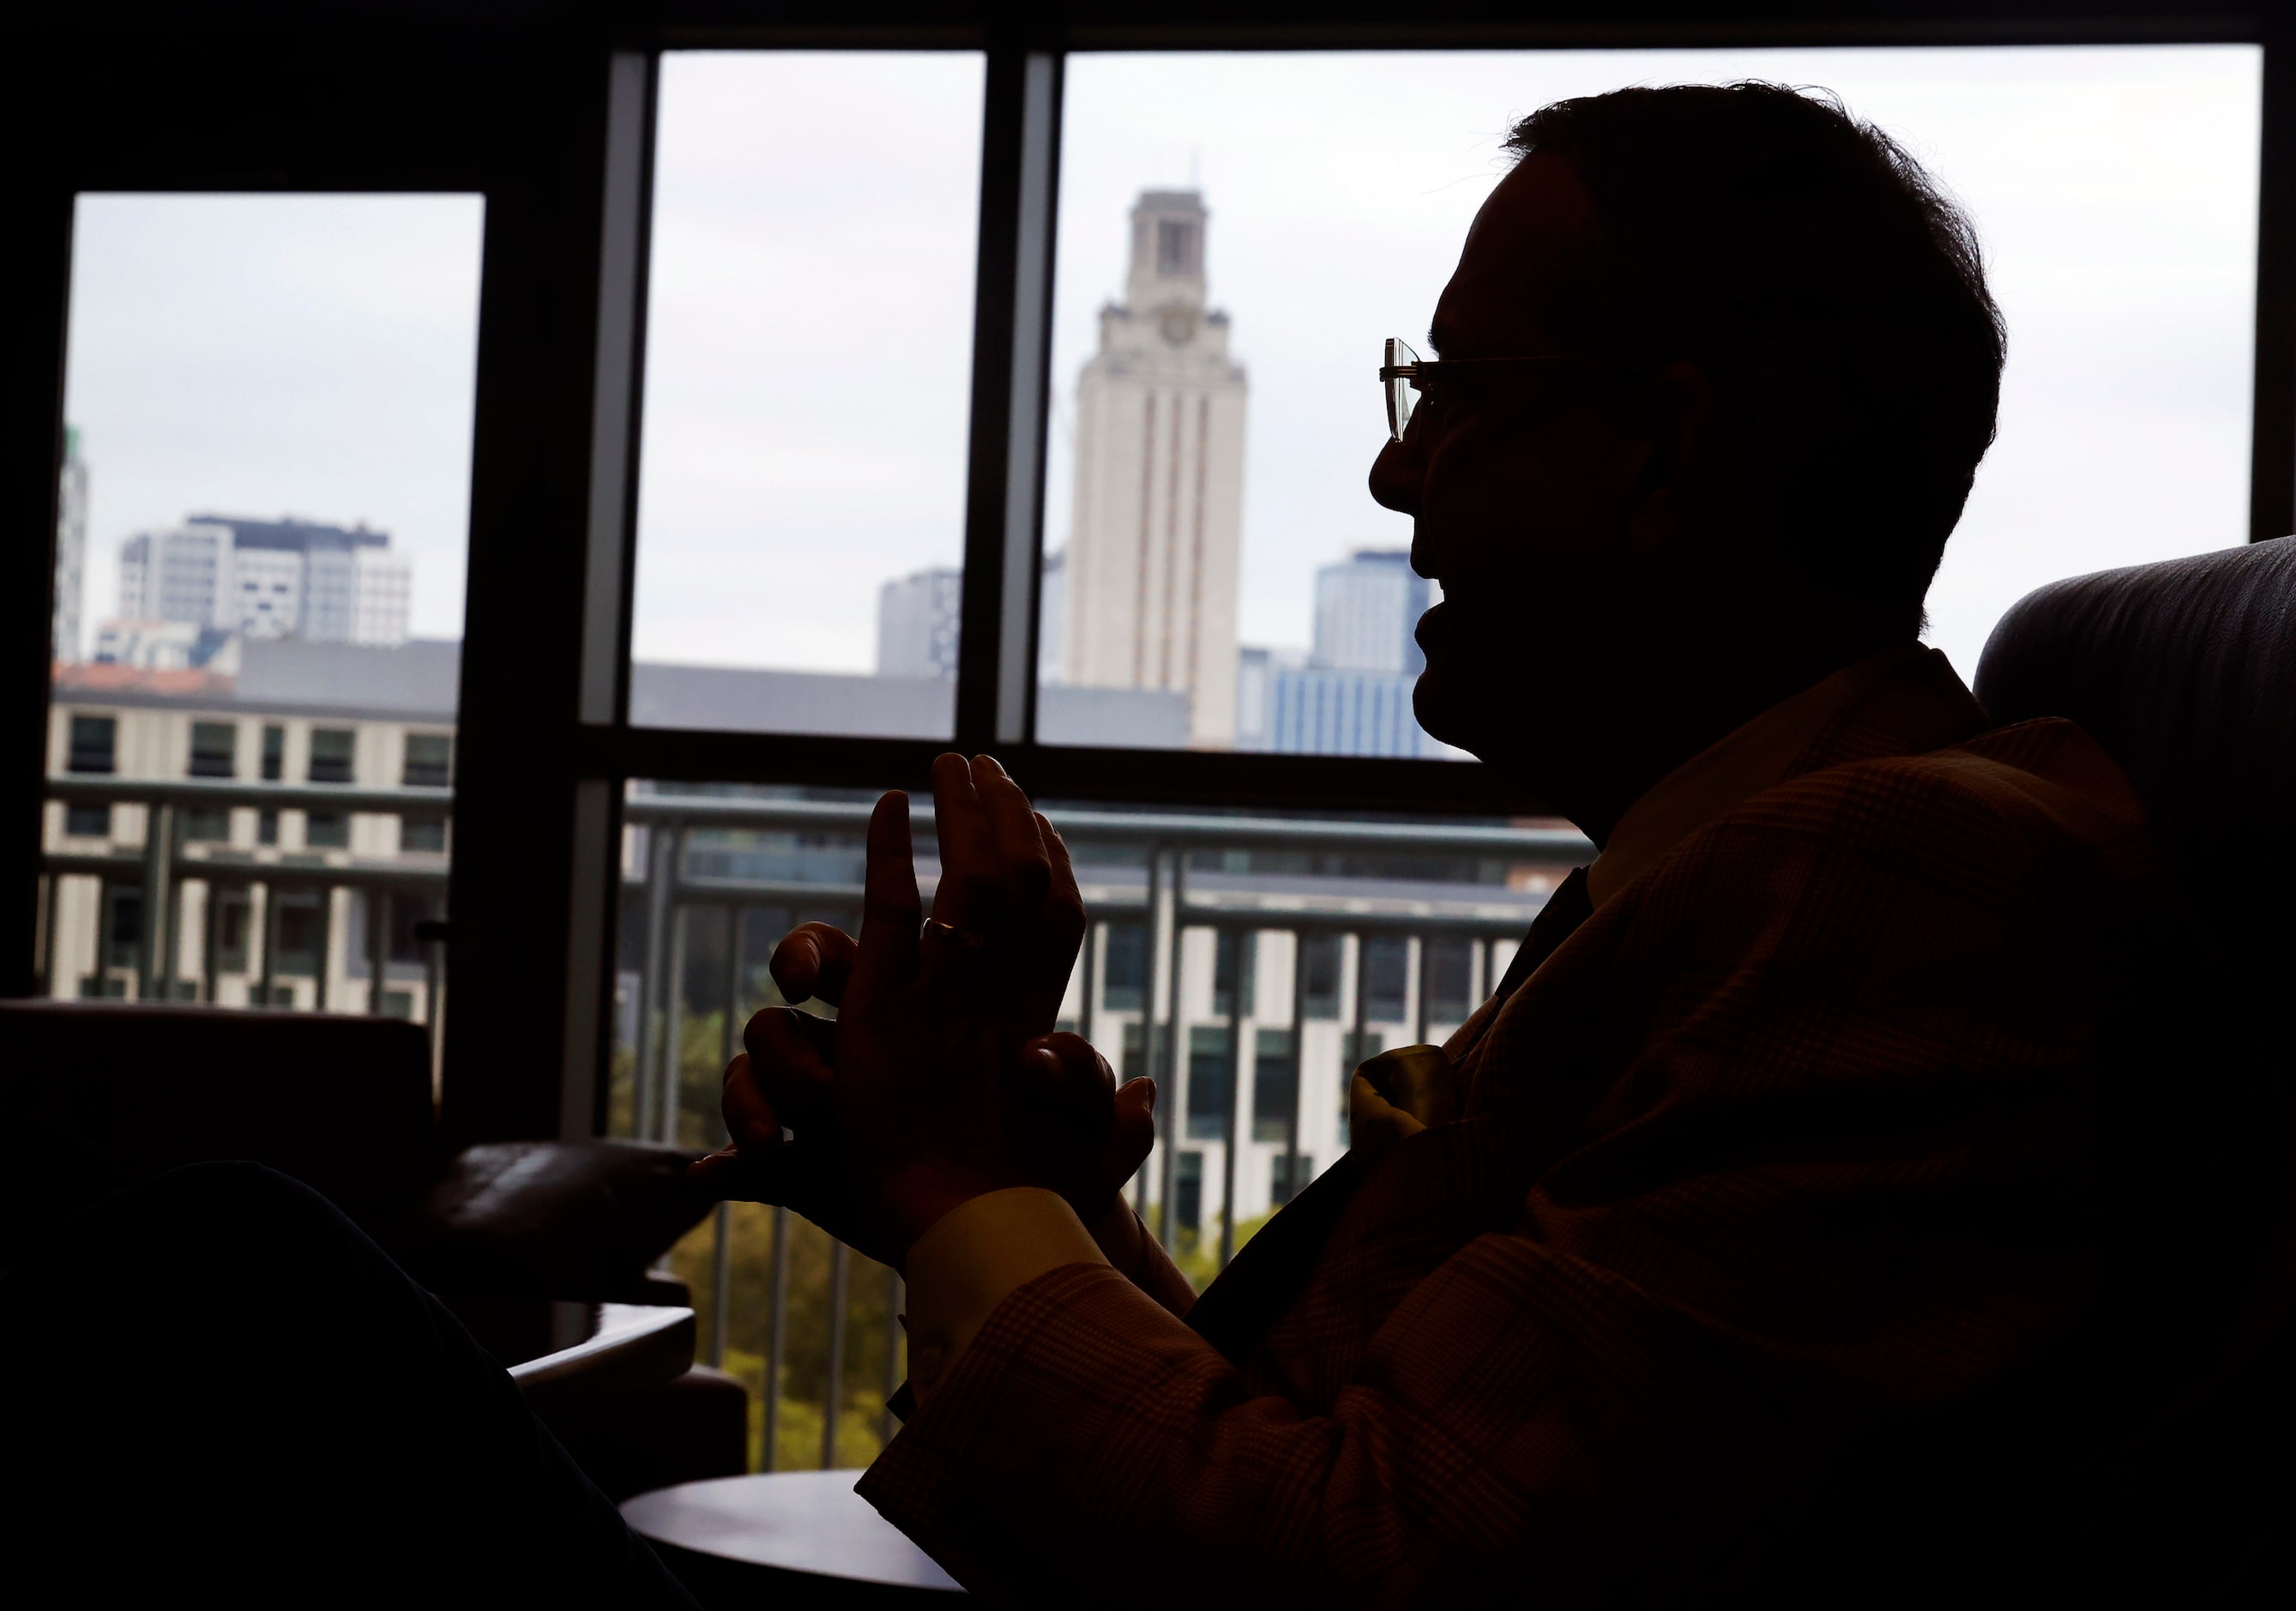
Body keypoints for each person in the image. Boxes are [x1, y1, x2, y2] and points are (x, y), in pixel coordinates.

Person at [696, 84, 2293, 1605]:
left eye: (1454, 391)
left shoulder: (1892, 888)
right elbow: (1358, 1447)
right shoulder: (1732, 867)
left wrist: (950, 1180)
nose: (1398, 469)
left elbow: (1370, 1572)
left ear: (1654, 454)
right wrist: (1019, 1199)